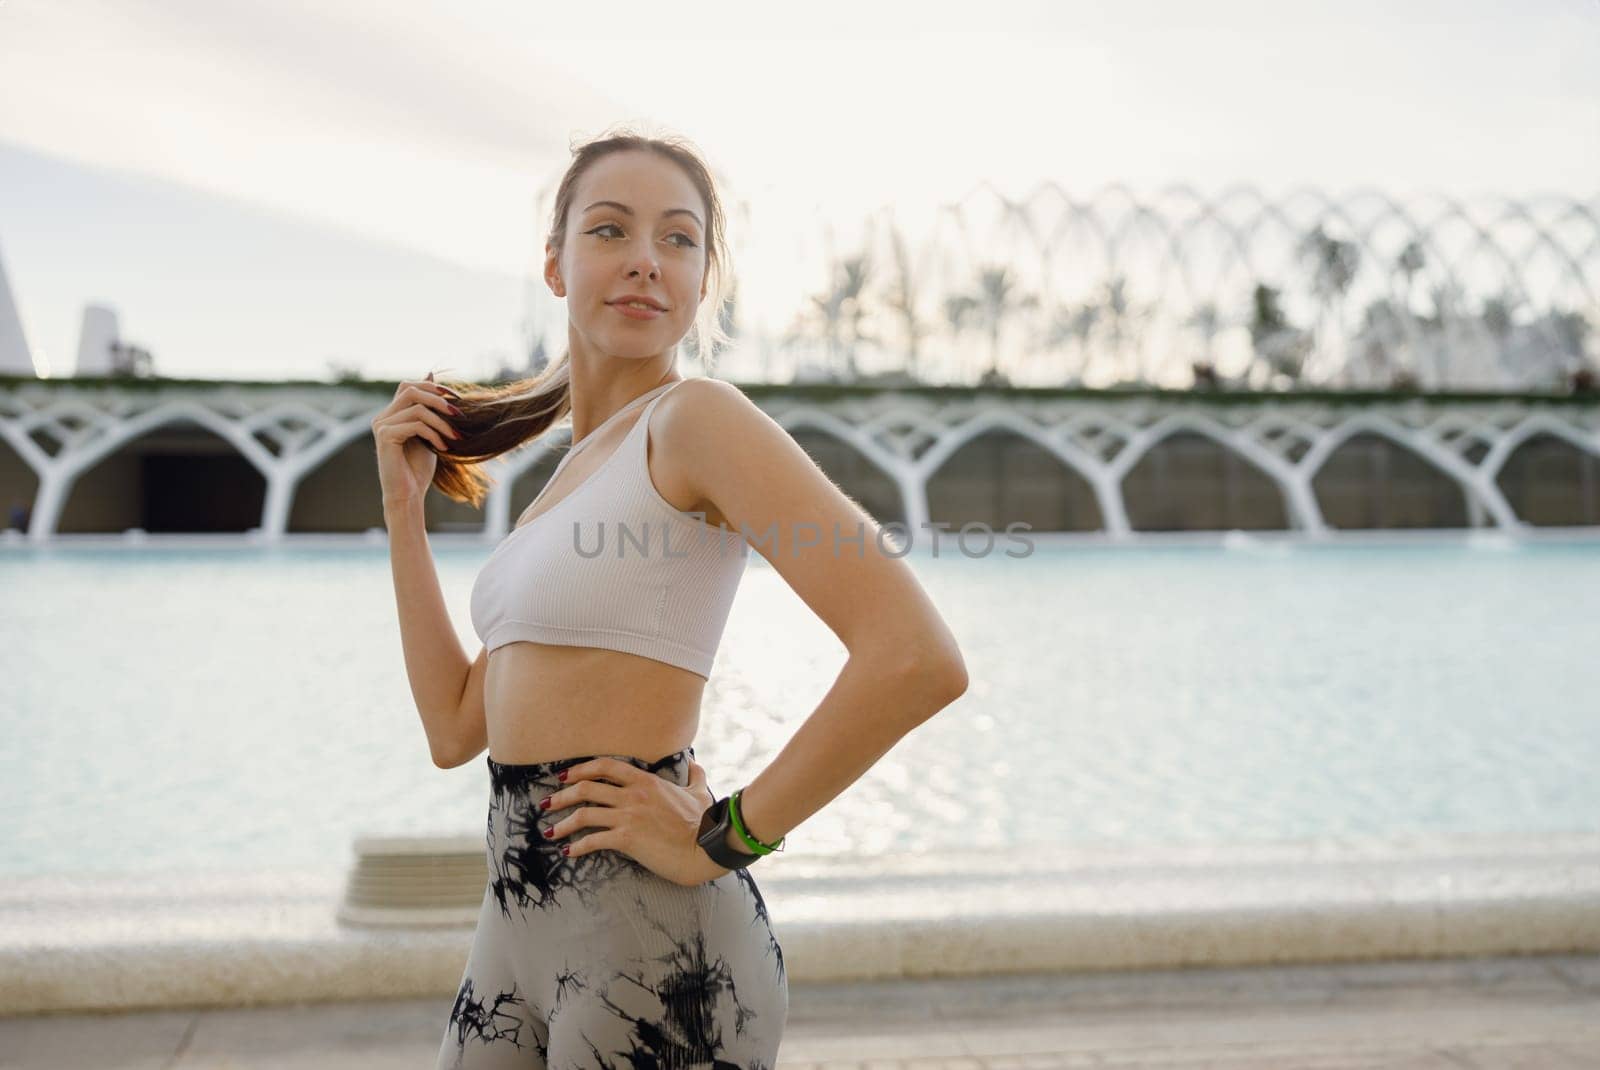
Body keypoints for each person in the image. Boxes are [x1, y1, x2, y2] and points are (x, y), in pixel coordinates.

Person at [371, 125, 968, 1068]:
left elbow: (916, 659)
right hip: (515, 928)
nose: (647, 261)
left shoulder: (697, 422)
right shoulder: (571, 476)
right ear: (556, 266)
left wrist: (724, 836)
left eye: (679, 240)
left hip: (654, 946)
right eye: (610, 231)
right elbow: (454, 730)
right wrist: (405, 514)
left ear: (702, 281)